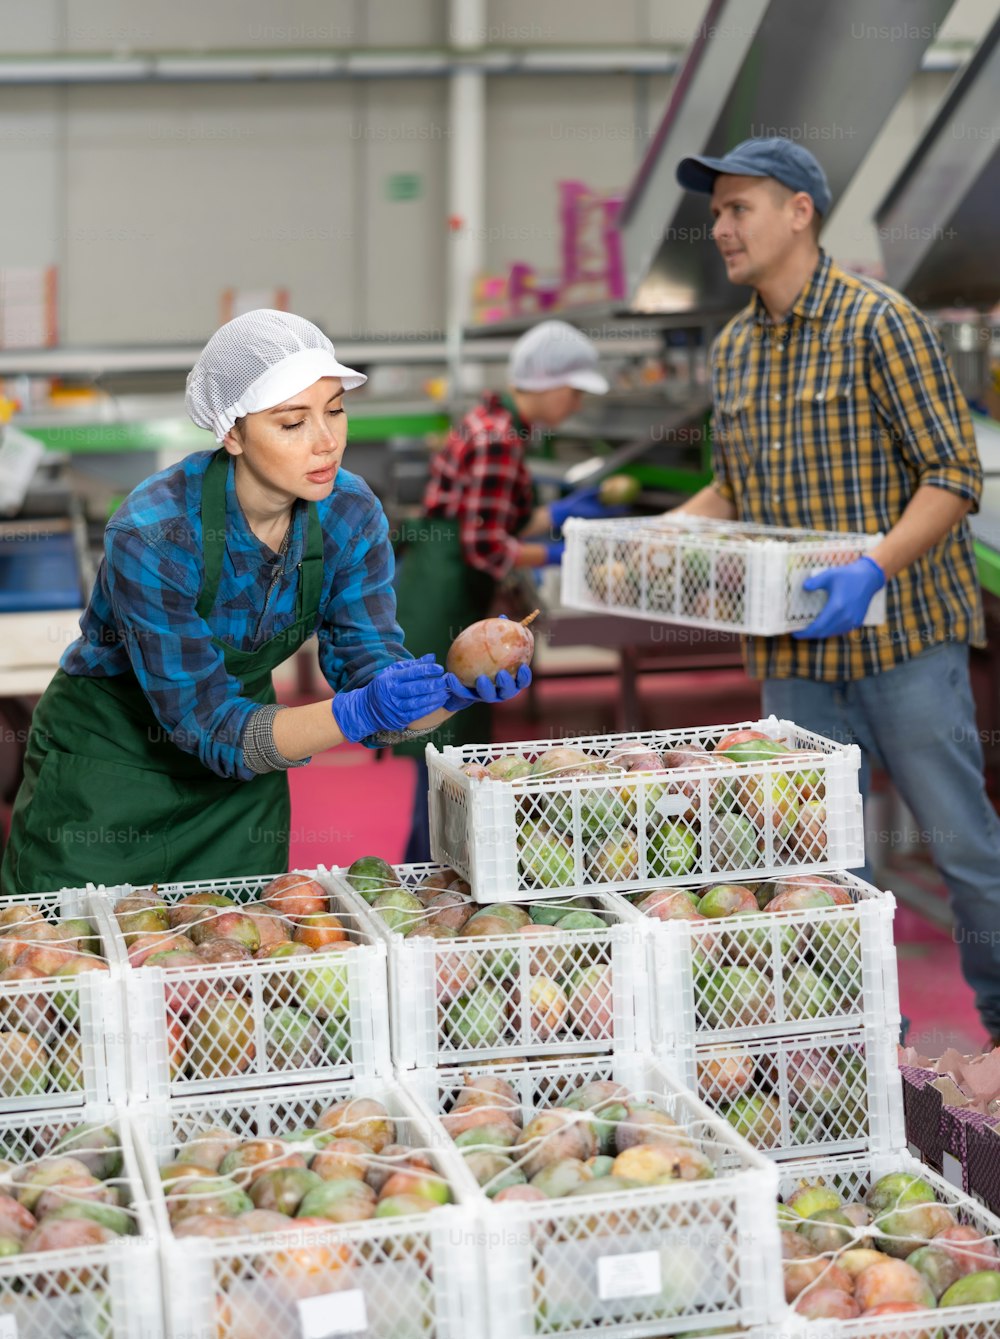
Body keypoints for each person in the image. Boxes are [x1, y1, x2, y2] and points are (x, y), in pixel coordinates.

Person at [1, 310, 529, 895]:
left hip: (239, 793)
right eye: (291, 423)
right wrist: (356, 713)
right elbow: (210, 726)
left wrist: (446, 693)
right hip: (108, 773)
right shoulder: (155, 533)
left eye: (334, 410)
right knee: (74, 963)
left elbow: (370, 670)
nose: (327, 441)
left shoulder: (349, 513)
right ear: (233, 433)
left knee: (237, 959)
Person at [672, 136, 1000, 1045]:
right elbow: (734, 488)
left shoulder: (879, 323)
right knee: (817, 868)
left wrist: (875, 566)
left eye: (739, 208)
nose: (722, 227)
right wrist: (665, 534)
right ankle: (865, 1043)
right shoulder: (734, 349)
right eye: (720, 211)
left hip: (904, 647)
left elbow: (952, 471)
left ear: (799, 211)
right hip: (792, 659)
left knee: (962, 844)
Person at [393, 318, 618, 863]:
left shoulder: (491, 422)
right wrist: (566, 551)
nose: (574, 408)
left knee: (443, 754)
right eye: (575, 394)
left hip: (444, 593)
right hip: (446, 598)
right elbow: (488, 548)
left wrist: (556, 515)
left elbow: (500, 517)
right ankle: (429, 870)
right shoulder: (498, 438)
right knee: (447, 756)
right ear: (553, 385)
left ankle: (421, 867)